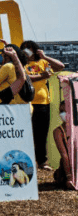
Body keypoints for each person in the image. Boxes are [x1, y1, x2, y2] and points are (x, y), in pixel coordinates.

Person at [21, 40, 65, 171]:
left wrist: (45, 57)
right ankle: (26, 161)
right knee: (27, 134)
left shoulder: (43, 62)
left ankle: (41, 161)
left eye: (29, 48)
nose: (26, 50)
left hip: (43, 103)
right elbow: (26, 78)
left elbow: (60, 66)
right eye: (24, 48)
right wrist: (43, 76)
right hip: (26, 103)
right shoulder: (21, 64)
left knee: (41, 134)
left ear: (35, 50)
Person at [53, 107, 75, 189]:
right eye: (61, 111)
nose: (63, 114)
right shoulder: (58, 131)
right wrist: (69, 177)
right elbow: (64, 155)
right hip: (68, 168)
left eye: (65, 111)